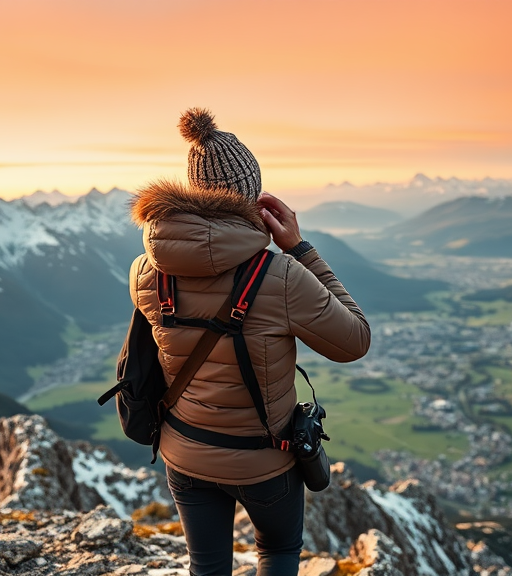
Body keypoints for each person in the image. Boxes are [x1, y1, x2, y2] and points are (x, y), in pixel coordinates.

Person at [128, 108, 371, 576]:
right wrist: (299, 248)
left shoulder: (145, 271)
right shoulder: (280, 276)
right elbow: (354, 339)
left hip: (184, 451)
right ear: (250, 197)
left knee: (207, 565)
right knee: (278, 552)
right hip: (264, 461)